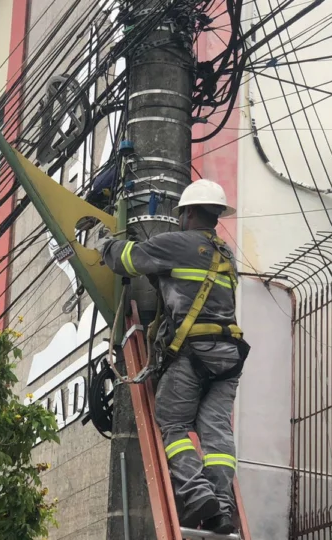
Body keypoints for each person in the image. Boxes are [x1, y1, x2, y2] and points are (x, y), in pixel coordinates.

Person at [96, 179, 249, 534]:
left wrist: (105, 243)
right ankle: (221, 507)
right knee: (216, 437)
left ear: (189, 212)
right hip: (229, 357)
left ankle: (196, 493)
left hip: (193, 353)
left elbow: (128, 260)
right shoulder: (226, 255)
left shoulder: (176, 244)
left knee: (174, 424)